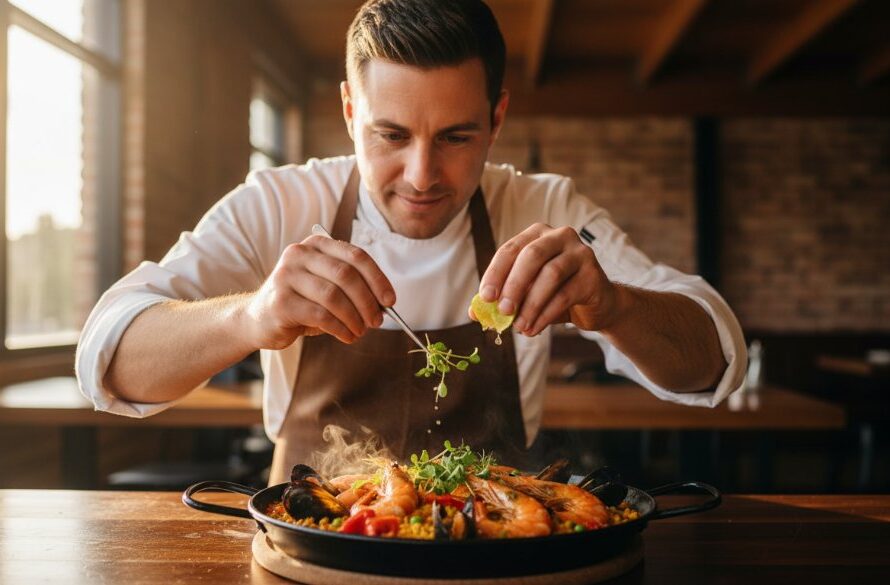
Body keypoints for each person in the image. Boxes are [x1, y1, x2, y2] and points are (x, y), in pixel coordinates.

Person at [76, 0, 745, 483]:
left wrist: (617, 306)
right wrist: (253, 315)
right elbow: (107, 359)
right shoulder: (279, 204)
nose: (422, 177)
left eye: (457, 137)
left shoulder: (544, 207)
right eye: (391, 136)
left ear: (498, 116)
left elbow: (716, 359)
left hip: (499, 546)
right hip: (312, 549)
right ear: (348, 110)